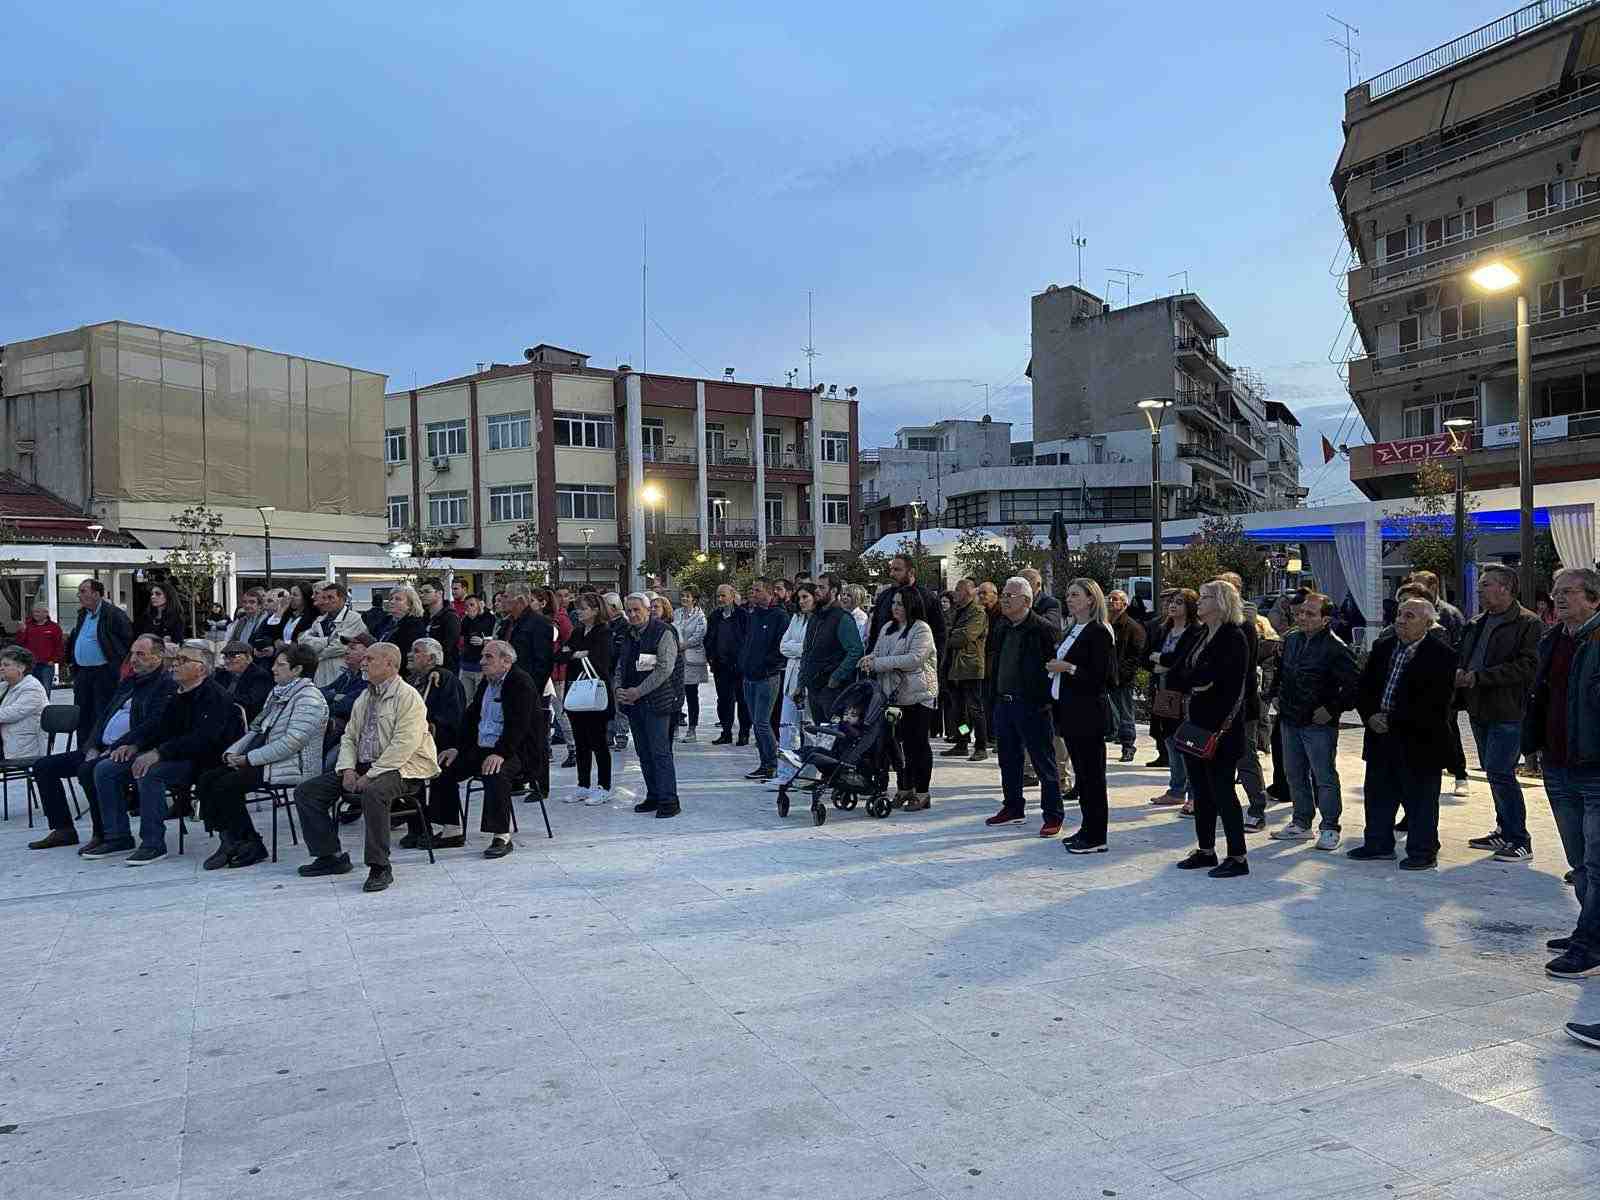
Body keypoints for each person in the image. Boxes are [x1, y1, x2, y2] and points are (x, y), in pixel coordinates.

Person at [294, 642, 440, 892]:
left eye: (370, 659)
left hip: (403, 768)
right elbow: (349, 737)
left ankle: (380, 867)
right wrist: (348, 769)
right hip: (365, 766)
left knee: (374, 793)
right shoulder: (365, 695)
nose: (363, 662)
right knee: (307, 792)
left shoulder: (408, 697)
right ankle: (329, 856)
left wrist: (371, 775)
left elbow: (403, 746)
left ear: (391, 665)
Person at [91, 640, 238, 864]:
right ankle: (117, 836)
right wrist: (135, 746)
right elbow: (160, 728)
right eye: (175, 660)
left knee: (149, 772)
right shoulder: (177, 694)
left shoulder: (214, 696)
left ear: (202, 668)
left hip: (203, 760)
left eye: (183, 660)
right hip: (172, 753)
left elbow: (203, 740)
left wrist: (159, 753)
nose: (175, 665)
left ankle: (153, 843)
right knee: (105, 768)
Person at [27, 635, 175, 852]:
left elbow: (154, 724)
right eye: (132, 653)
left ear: (158, 656)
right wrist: (93, 746)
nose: (133, 659)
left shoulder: (164, 686)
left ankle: (106, 833)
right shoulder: (129, 683)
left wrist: (114, 748)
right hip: (103, 748)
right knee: (44, 767)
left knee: (91, 770)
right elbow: (104, 717)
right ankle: (63, 829)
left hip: (132, 749)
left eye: (140, 654)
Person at [1524, 567, 1600, 980]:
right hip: (1558, 764)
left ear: (1593, 597)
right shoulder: (1553, 639)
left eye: (1569, 592)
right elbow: (1540, 698)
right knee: (1579, 861)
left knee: (1597, 860)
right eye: (1556, 592)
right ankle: (1588, 929)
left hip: (1594, 767)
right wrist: (1531, 747)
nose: (1559, 598)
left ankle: (1590, 943)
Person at [1346, 597, 1458, 871]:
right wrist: (1370, 715)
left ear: (1428, 624)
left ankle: (1422, 852)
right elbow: (1365, 687)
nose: (1401, 620)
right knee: (1378, 794)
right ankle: (1378, 844)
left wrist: (1392, 719)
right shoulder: (1384, 646)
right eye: (1399, 615)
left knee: (1420, 800)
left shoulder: (1442, 655)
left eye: (1410, 616)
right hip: (1380, 734)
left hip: (1419, 739)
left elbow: (1434, 702)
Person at [196, 642, 328, 870]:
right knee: (208, 778)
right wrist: (234, 752)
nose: (273, 669)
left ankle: (246, 843)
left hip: (293, 765)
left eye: (280, 665)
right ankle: (234, 840)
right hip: (269, 761)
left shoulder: (309, 699)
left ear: (297, 670)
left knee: (226, 785)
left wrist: (249, 759)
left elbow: (291, 743)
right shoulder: (278, 693)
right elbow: (257, 730)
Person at [1449, 565, 1541, 861]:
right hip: (1479, 708)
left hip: (1508, 709)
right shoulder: (1477, 622)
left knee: (1501, 772)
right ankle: (1504, 830)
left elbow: (1528, 666)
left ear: (1505, 588)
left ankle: (1519, 838)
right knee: (1493, 771)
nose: (1479, 590)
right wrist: (1461, 673)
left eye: (1485, 585)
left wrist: (1481, 677)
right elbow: (1465, 655)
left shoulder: (1528, 623)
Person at [420, 639, 536, 858]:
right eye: (482, 656)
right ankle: (451, 829)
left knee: (494, 771)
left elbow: (519, 726)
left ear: (506, 661)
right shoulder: (487, 682)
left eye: (488, 657)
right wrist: (457, 748)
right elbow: (471, 719)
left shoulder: (520, 682)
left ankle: (501, 835)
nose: (482, 661)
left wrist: (500, 753)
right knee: (443, 765)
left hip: (515, 750)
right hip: (484, 747)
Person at [1173, 579, 1252, 879]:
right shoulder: (1201, 634)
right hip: (1196, 723)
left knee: (1222, 791)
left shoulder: (1234, 637)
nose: (1199, 602)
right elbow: (1181, 672)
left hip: (1222, 728)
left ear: (1221, 603)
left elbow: (1229, 685)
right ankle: (1206, 849)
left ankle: (1238, 855)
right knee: (1201, 791)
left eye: (1205, 597)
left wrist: (1200, 681)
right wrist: (1199, 681)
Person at [1268, 592, 1358, 850]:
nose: (1302, 617)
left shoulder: (1336, 647)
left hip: (1318, 723)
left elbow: (1354, 685)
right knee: (1294, 773)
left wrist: (1332, 709)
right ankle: (1300, 822)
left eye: (1310, 614)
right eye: (1299, 613)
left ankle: (1330, 826)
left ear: (1325, 619)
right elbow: (1280, 670)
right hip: (1290, 717)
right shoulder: (1292, 640)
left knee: (1324, 776)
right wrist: (1275, 694)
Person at [983, 576, 1065, 836]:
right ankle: (1013, 806)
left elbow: (1052, 669)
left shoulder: (1042, 629)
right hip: (1004, 703)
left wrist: (1043, 701)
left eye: (1011, 595)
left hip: (1032, 706)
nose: (1005, 599)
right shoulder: (1002, 626)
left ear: (1027, 601)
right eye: (1004, 594)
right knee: (1008, 760)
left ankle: (1053, 814)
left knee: (1043, 762)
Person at [1047, 579, 1116, 853]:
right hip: (1070, 710)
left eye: (1075, 595)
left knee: (1093, 776)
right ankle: (1087, 828)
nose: (1070, 599)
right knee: (1083, 777)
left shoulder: (1098, 631)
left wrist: (1069, 668)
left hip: (1088, 713)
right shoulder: (1073, 629)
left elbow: (1104, 677)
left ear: (1091, 599)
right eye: (1068, 595)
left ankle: (1097, 835)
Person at [861, 584, 939, 811]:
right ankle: (904, 787)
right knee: (896, 747)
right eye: (893, 603)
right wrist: (869, 660)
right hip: (893, 696)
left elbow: (913, 659)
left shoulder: (921, 629)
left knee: (918, 745)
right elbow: (878, 652)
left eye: (900, 604)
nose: (895, 607)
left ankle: (922, 793)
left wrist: (879, 663)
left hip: (919, 695)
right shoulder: (888, 627)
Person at [1405, 570, 1470, 795]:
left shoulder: (1449, 614)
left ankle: (1459, 772)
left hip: (1443, 681)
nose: (1416, 591)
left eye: (1420, 586)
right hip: (1414, 684)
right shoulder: (1408, 611)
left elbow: (1459, 647)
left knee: (1448, 727)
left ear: (1433, 588)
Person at [617, 592, 681, 818]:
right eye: (630, 610)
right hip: (634, 703)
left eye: (637, 610)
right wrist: (619, 689)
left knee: (660, 751)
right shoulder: (628, 633)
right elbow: (620, 664)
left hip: (657, 701)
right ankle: (653, 795)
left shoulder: (663, 632)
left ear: (647, 610)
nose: (633, 614)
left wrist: (638, 691)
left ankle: (669, 800)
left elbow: (665, 668)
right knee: (643, 751)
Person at [1216, 572, 1270, 833]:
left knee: (1245, 757)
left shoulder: (1244, 627)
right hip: (1214, 706)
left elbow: (1244, 671)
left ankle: (1257, 807)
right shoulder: (1208, 628)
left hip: (1240, 706)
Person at [556, 593, 614, 804]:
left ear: (596, 610)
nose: (579, 612)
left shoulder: (604, 632)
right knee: (581, 741)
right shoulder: (578, 631)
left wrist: (574, 654)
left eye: (583, 608)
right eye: (578, 608)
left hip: (596, 691)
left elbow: (600, 661)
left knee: (598, 741)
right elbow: (560, 656)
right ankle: (583, 784)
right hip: (576, 691)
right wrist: (576, 654)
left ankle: (604, 786)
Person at [1147, 590, 1203, 807]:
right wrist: (1160, 661)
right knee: (1170, 739)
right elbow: (1146, 655)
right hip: (1164, 690)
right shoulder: (1164, 629)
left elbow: (1183, 660)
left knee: (1187, 741)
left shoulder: (1196, 631)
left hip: (1185, 693)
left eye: (1179, 602)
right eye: (1171, 601)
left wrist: (1162, 659)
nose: (1173, 606)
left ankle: (1193, 793)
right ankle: (1176, 789)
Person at [402, 639, 465, 823]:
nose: (410, 654)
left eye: (417, 651)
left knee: (430, 762)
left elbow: (452, 716)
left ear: (431, 658)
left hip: (442, 740)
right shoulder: (413, 679)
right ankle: (415, 822)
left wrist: (427, 725)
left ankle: (444, 826)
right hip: (416, 738)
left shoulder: (443, 677)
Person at [66, 579, 133, 747]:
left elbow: (127, 641)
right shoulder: (83, 614)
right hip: (84, 672)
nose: (79, 595)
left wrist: (118, 666)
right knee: (83, 714)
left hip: (104, 672)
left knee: (101, 712)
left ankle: (98, 751)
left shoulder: (113, 614)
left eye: (83, 591)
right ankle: (82, 751)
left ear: (96, 594)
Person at [503, 583, 554, 797]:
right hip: (512, 686)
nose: (503, 600)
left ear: (521, 600)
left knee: (536, 739)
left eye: (507, 597)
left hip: (532, 689)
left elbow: (544, 662)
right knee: (517, 735)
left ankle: (539, 784)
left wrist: (533, 690)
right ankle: (519, 777)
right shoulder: (510, 623)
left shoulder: (540, 623)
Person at [738, 578, 789, 781]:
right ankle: (764, 763)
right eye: (752, 589)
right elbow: (747, 641)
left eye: (757, 590)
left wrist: (766, 663)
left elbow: (781, 647)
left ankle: (771, 763)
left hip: (767, 677)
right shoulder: (754, 615)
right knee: (755, 721)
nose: (753, 593)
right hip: (749, 675)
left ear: (769, 593)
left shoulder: (779, 616)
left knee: (761, 722)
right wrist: (743, 661)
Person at [798, 573, 864, 726]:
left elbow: (855, 651)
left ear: (834, 591)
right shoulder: (815, 617)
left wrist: (836, 677)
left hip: (832, 690)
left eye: (822, 587)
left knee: (834, 735)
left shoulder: (842, 618)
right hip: (814, 687)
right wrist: (801, 683)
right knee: (820, 735)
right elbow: (807, 652)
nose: (817, 591)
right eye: (817, 587)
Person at [941, 577, 989, 761]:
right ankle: (962, 741)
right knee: (958, 710)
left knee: (975, 708)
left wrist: (949, 633)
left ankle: (981, 745)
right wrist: (951, 632)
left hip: (970, 667)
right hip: (954, 667)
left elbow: (966, 636)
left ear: (969, 592)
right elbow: (944, 630)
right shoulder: (957, 611)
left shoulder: (977, 612)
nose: (955, 593)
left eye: (959, 590)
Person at [867, 555, 947, 658]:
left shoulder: (927, 597)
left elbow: (939, 634)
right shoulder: (884, 597)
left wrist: (935, 666)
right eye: (891, 570)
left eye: (897, 570)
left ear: (911, 572)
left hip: (916, 665)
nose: (892, 574)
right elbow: (875, 631)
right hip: (883, 664)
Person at [298, 581, 367, 688]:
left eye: (331, 598)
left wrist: (316, 655)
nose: (326, 601)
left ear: (342, 599)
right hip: (320, 673)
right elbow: (302, 641)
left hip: (341, 672)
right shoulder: (319, 620)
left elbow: (339, 646)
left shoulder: (354, 619)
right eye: (324, 598)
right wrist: (327, 640)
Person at [707, 584, 751, 745]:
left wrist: (744, 660)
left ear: (732, 596)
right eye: (718, 596)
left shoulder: (743, 615)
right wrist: (711, 657)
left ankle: (744, 733)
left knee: (743, 700)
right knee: (724, 700)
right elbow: (709, 639)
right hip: (721, 666)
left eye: (723, 596)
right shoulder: (714, 616)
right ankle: (726, 732)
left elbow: (748, 639)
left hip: (739, 666)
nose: (720, 599)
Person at [1106, 589, 1146, 765]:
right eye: (1110, 598)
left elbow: (1135, 656)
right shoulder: (1104, 624)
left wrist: (1121, 674)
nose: (1111, 602)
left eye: (1116, 599)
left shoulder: (1133, 627)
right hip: (1105, 677)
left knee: (1125, 714)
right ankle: (1113, 735)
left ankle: (1128, 746)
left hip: (1122, 679)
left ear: (1124, 604)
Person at [320, 636, 372, 766]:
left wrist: (332, 697)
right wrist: (335, 696)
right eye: (347, 647)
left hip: (352, 733)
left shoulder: (369, 677)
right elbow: (319, 692)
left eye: (352, 648)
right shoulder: (348, 674)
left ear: (368, 653)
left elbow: (347, 706)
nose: (347, 651)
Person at [777, 583, 814, 759]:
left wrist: (799, 649)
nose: (801, 601)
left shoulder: (818, 620)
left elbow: (813, 649)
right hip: (791, 677)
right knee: (786, 726)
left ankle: (808, 774)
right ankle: (786, 772)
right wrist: (801, 649)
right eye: (799, 598)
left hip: (808, 677)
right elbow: (783, 646)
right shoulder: (796, 618)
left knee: (809, 728)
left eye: (805, 597)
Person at [0, 646, 49, 764]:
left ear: (21, 668)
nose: (1, 668)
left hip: (22, 747)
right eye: (1, 665)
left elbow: (10, 714)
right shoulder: (4, 686)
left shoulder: (32, 688)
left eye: (6, 665)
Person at [676, 585, 708, 742]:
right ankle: (674, 727)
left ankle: (692, 729)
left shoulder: (700, 616)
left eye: (687, 596)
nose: (684, 598)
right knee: (676, 694)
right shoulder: (677, 613)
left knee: (691, 695)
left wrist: (684, 645)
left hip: (692, 659)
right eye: (683, 595)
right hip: (677, 658)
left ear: (694, 599)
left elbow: (699, 636)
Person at [215, 640, 273, 720]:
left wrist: (224, 697)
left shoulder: (260, 676)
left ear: (248, 658)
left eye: (234, 656)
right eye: (225, 656)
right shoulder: (222, 674)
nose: (227, 660)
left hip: (243, 720)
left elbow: (251, 702)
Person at [371, 585, 428, 661]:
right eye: (391, 599)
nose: (392, 602)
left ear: (410, 605)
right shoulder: (386, 620)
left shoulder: (415, 625)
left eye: (398, 599)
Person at [15, 604, 64, 693]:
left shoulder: (54, 627)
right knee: (28, 690)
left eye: (37, 612)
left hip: (46, 665)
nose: (35, 614)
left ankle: (44, 707)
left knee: (45, 690)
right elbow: (19, 644)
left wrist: (54, 660)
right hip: (29, 665)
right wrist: (22, 631)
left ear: (45, 613)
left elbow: (59, 646)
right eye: (34, 612)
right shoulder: (27, 625)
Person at [417, 579, 462, 674]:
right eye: (420, 592)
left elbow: (448, 647)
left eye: (427, 592)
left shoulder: (450, 617)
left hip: (445, 668)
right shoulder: (423, 616)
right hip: (425, 666)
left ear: (439, 593)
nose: (422, 595)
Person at [458, 593, 497, 705]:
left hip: (481, 666)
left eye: (472, 605)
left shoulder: (490, 618)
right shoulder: (465, 620)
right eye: (466, 606)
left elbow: (495, 639)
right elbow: (461, 637)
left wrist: (483, 642)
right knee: (465, 698)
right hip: (467, 664)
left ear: (480, 605)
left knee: (480, 699)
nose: (469, 608)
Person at [604, 592, 630, 752]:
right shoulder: (606, 624)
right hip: (606, 669)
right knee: (607, 704)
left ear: (613, 607)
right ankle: (609, 732)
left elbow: (619, 649)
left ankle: (621, 734)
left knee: (618, 704)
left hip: (617, 669)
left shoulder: (623, 624)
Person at [251, 589, 293, 661]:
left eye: (270, 601)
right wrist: (255, 648)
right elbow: (254, 637)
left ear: (282, 601)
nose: (265, 604)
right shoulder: (268, 618)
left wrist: (274, 649)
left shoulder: (289, 618)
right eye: (265, 601)